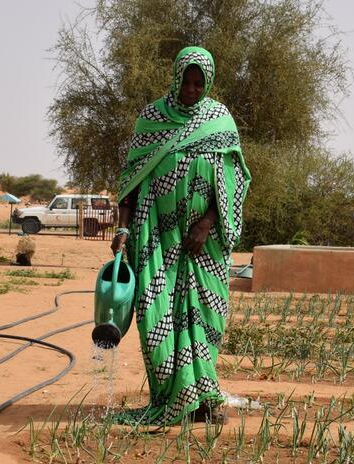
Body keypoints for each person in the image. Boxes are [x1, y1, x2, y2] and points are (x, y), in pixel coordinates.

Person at [111, 46, 251, 425]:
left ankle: (204, 400)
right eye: (186, 81)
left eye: (198, 82)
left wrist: (206, 224)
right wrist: (123, 227)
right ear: (175, 78)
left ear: (208, 83)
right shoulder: (152, 119)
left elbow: (234, 180)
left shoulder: (219, 120)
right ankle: (171, 398)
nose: (191, 89)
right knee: (157, 316)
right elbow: (131, 183)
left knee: (206, 316)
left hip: (205, 242)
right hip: (156, 235)